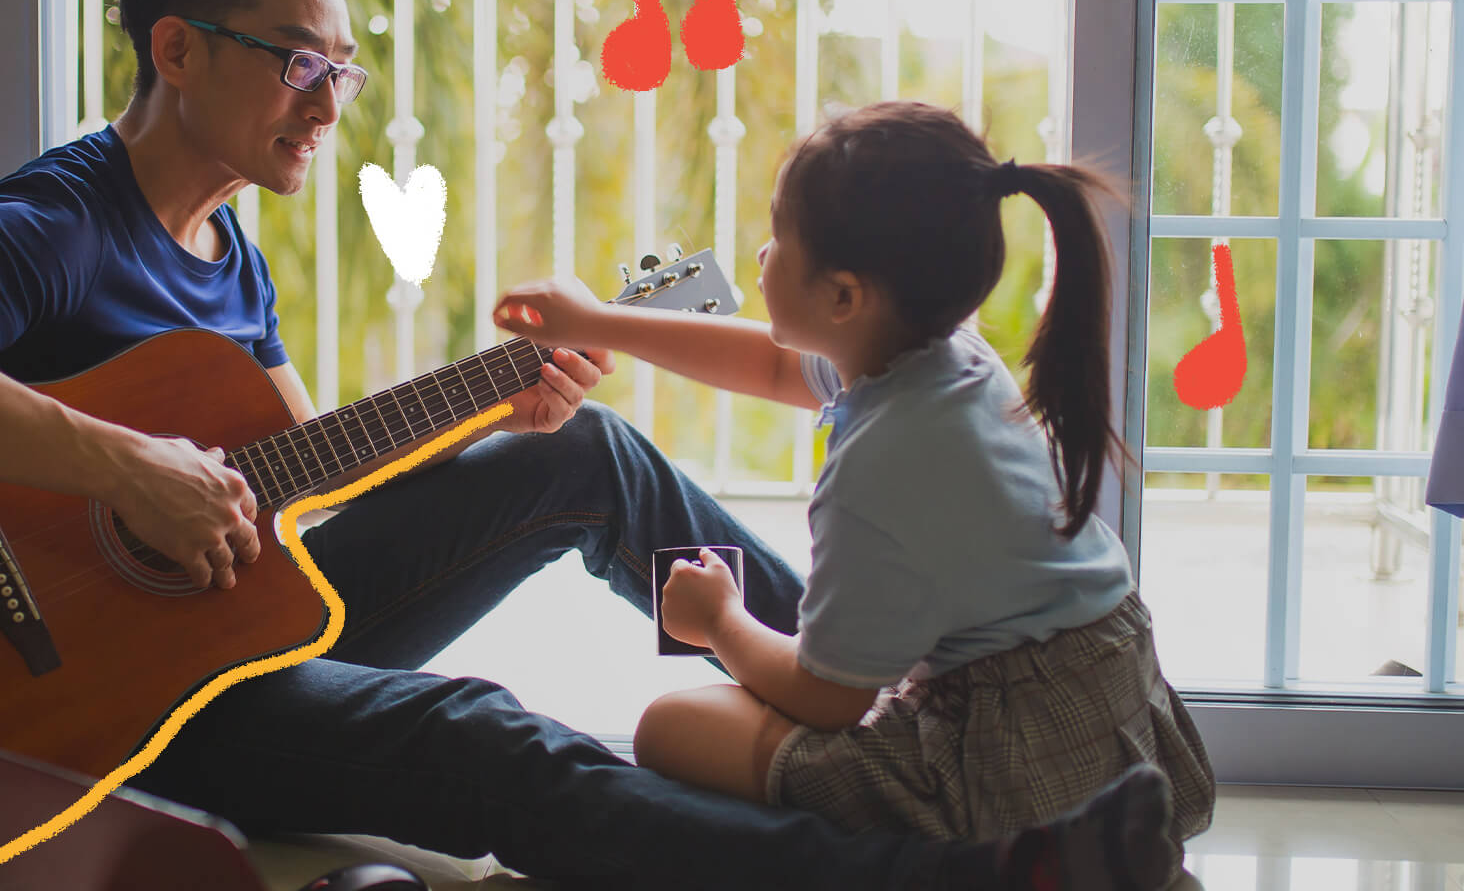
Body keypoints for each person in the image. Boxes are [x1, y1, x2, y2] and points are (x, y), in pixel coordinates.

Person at [0, 0, 1186, 890]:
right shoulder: (61, 220)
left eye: (341, 63)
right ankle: (938, 874)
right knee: (484, 734)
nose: (330, 98)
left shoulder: (223, 247)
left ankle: (866, 708)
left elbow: (291, 486)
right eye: (299, 61)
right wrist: (119, 467)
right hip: (99, 712)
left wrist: (487, 417)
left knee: (595, 462)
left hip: (209, 624)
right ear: (178, 50)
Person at [494, 101, 1217, 863]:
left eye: (779, 240)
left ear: (843, 296)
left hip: (1005, 752)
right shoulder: (951, 361)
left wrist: (719, 622)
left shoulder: (879, 459)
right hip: (1109, 700)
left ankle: (944, 867)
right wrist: (599, 323)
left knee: (670, 729)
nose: (762, 257)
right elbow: (770, 364)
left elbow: (828, 701)